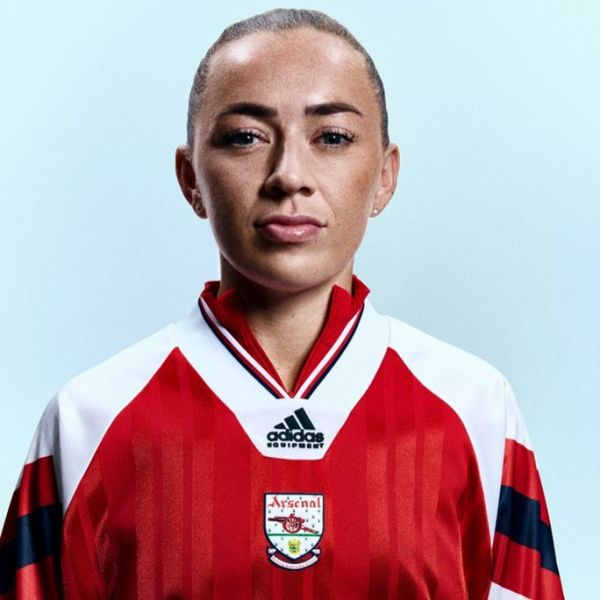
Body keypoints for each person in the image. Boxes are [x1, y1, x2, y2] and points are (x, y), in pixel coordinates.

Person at [0, 8, 564, 599]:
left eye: (332, 137)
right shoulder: (88, 420)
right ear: (190, 178)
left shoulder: (476, 409)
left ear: (385, 176)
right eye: (246, 137)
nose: (289, 176)